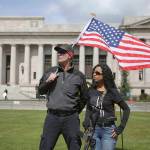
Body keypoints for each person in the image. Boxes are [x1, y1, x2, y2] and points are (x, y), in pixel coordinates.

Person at [38, 44, 88, 150]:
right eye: (58, 52)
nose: (59, 54)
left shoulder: (79, 75)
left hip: (71, 119)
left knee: (75, 146)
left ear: (70, 55)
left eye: (62, 52)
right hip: (52, 117)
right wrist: (48, 81)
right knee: (45, 147)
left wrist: (74, 111)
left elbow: (85, 97)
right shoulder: (50, 71)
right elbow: (40, 90)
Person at [83, 64, 130, 150]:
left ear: (104, 75)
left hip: (108, 131)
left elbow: (126, 109)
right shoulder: (90, 91)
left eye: (97, 73)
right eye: (93, 72)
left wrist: (120, 128)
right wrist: (86, 122)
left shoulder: (112, 92)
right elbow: (89, 108)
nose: (94, 74)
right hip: (94, 129)